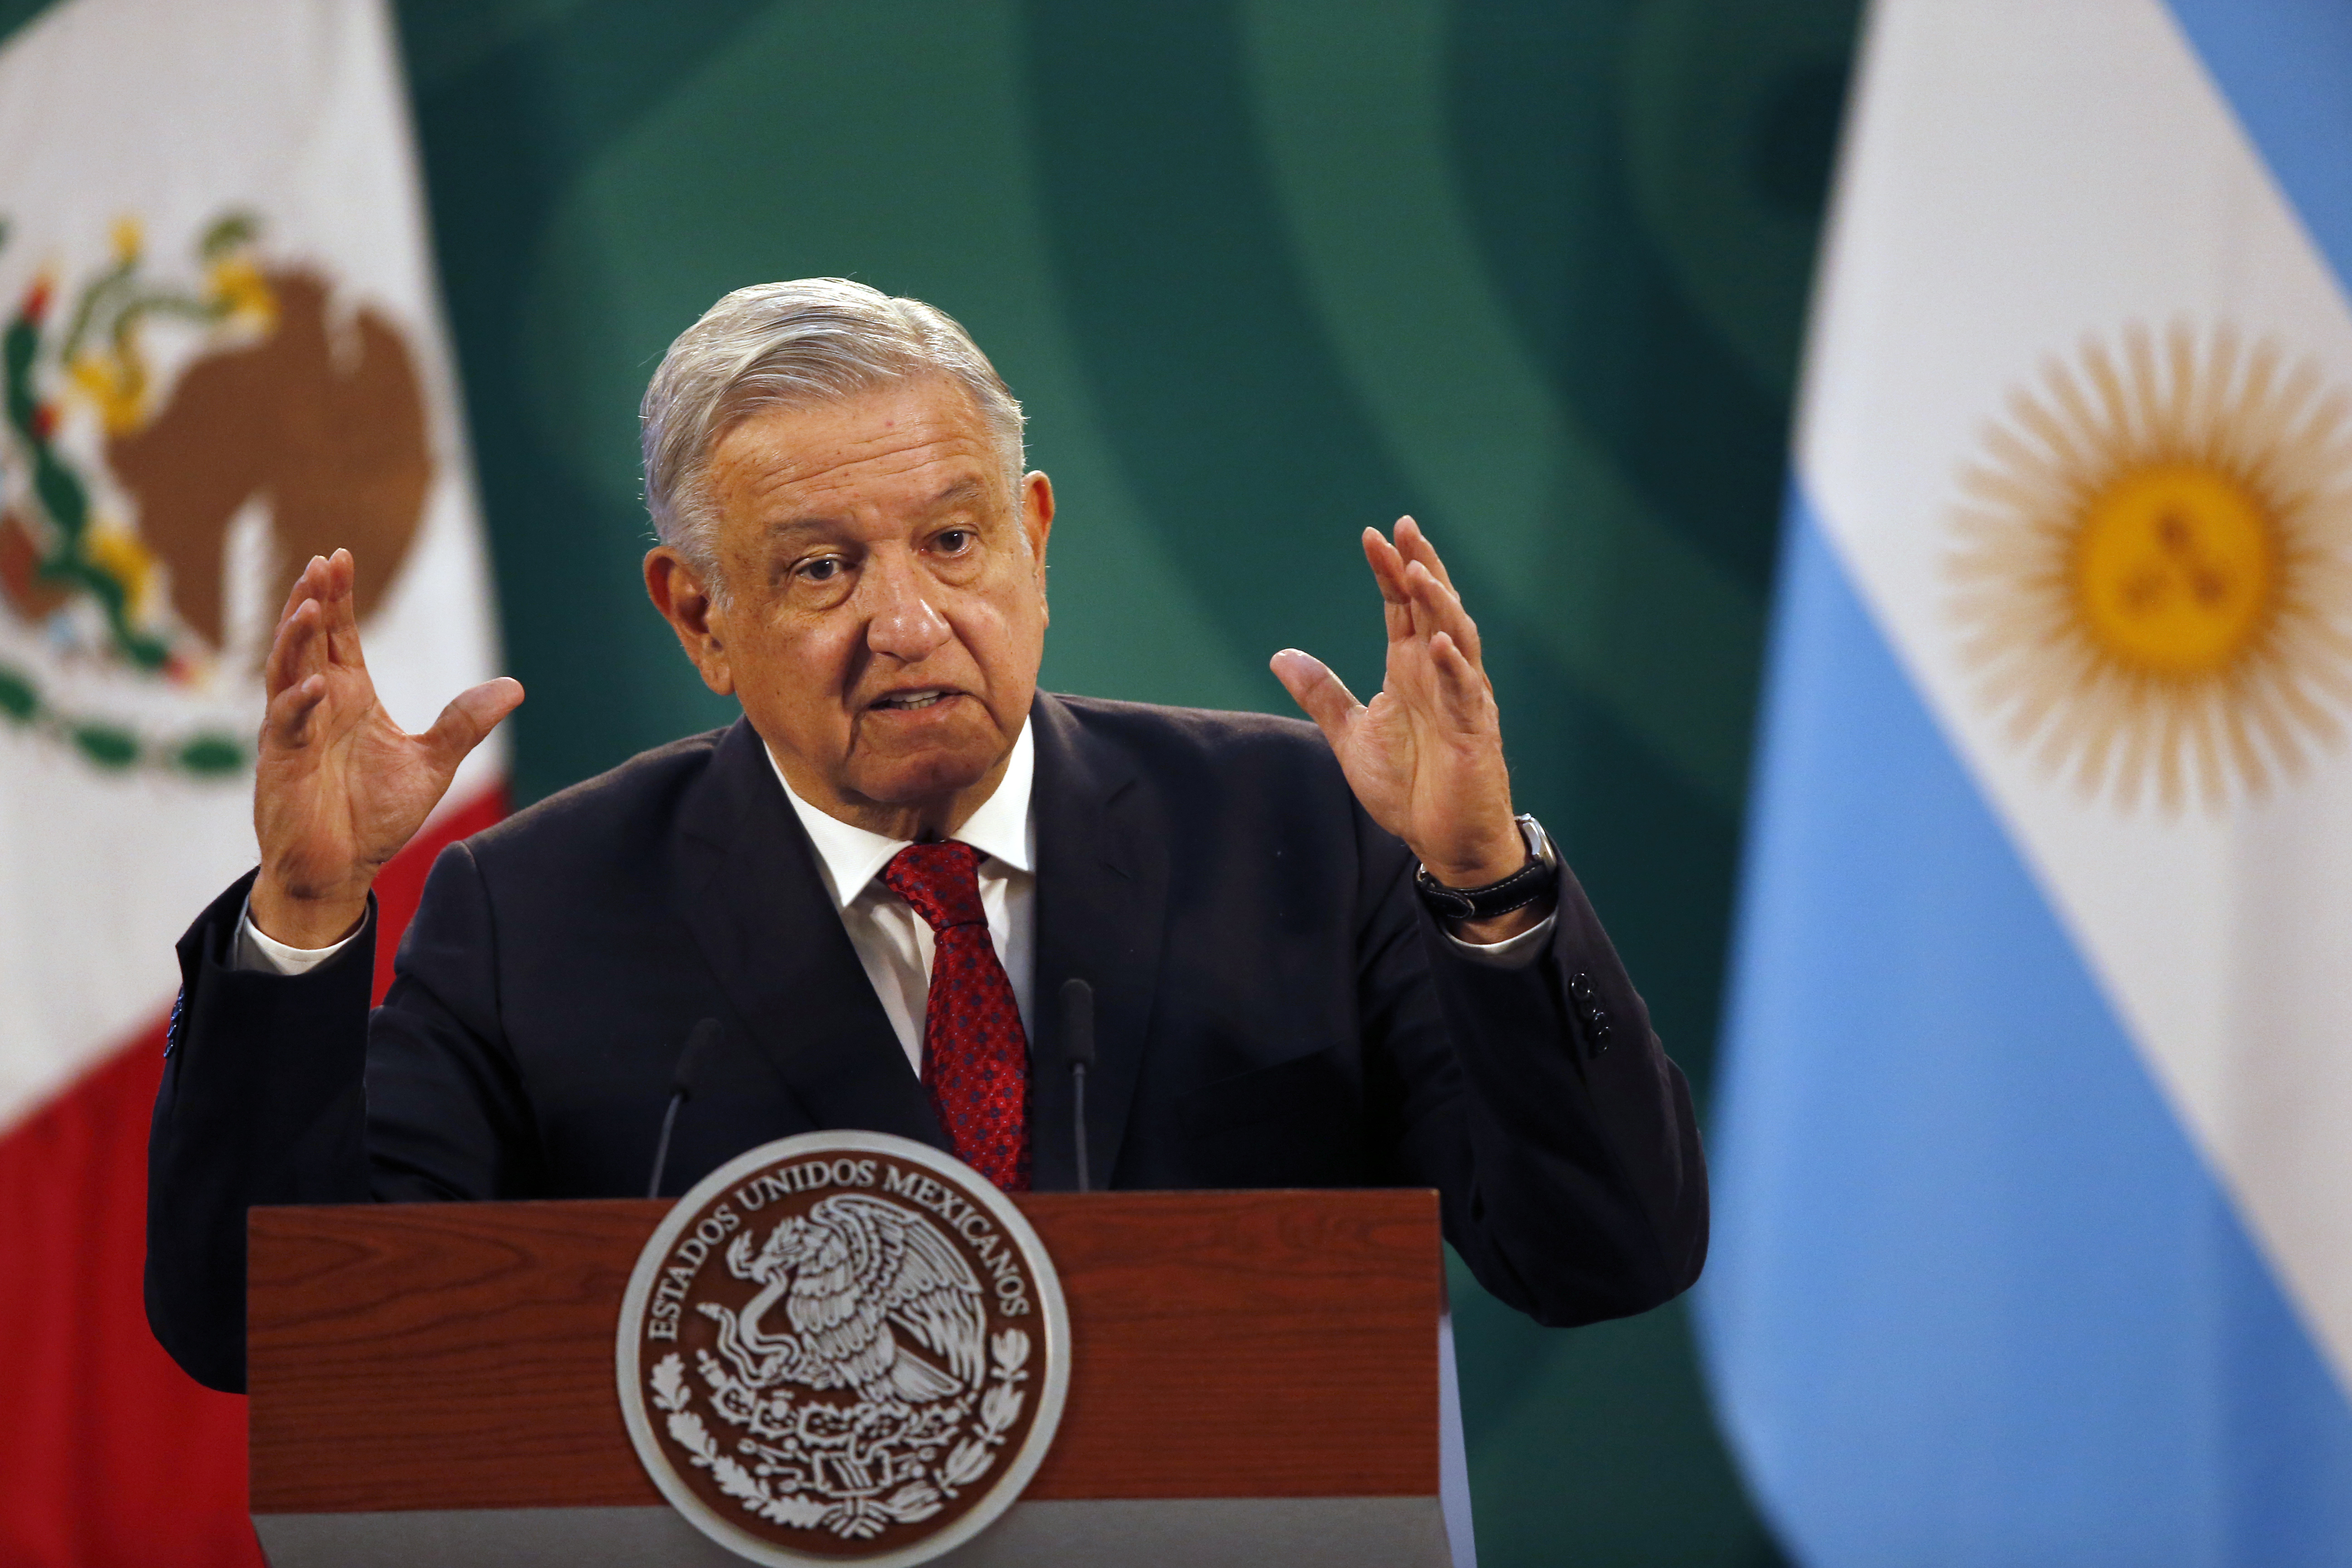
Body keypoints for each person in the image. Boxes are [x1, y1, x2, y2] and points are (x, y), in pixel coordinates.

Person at [146, 279, 1706, 1394]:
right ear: (698, 614)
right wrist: (301, 911)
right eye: (821, 569)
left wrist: (1489, 885)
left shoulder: (1304, 833)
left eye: (952, 542)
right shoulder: (535, 911)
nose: (910, 623)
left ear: (1032, 538)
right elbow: (262, 1339)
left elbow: (1608, 1257)